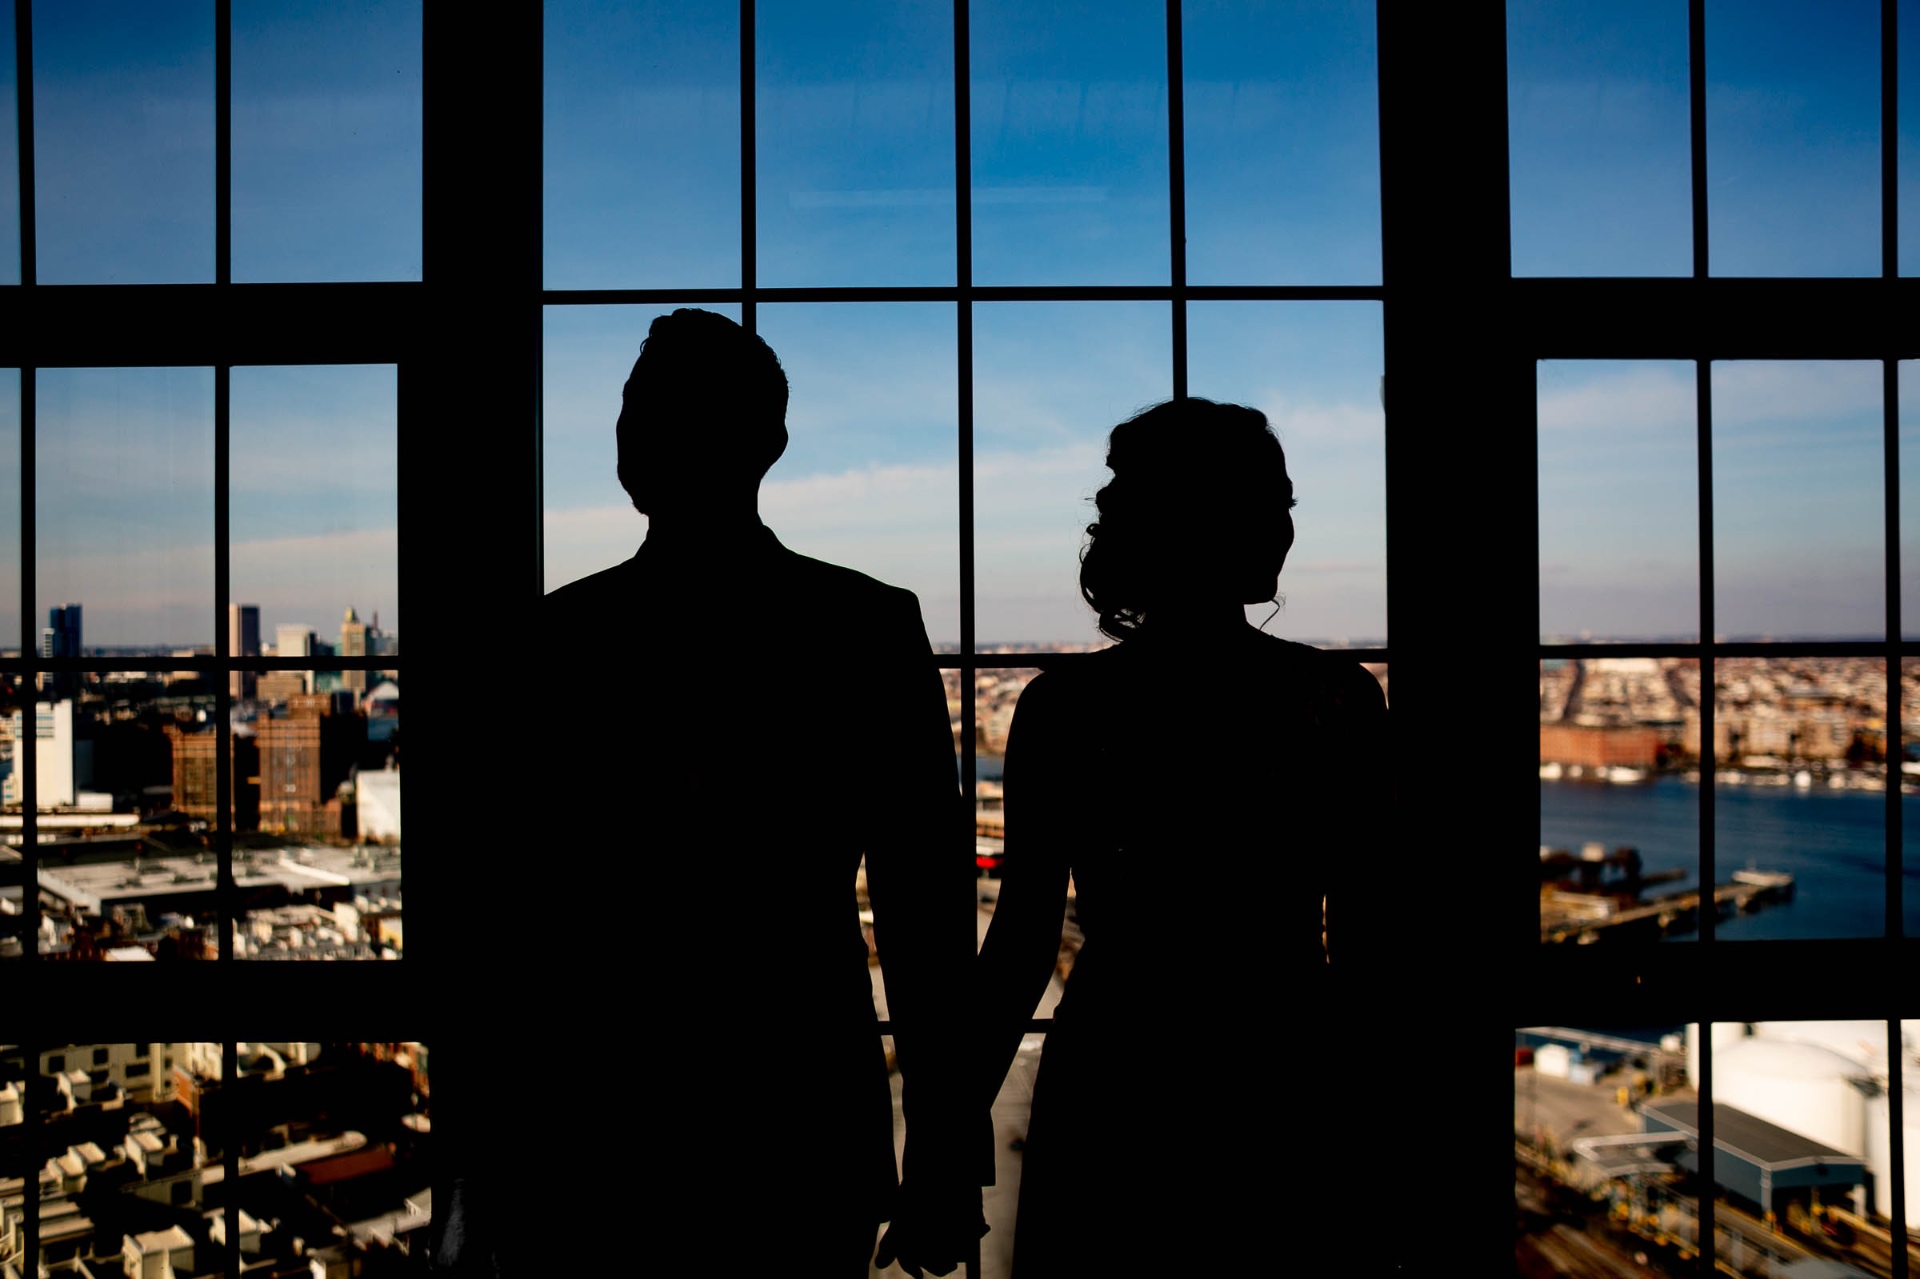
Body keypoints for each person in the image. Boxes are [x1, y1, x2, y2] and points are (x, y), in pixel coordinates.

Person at [432, 309, 984, 1275]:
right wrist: (944, 1150)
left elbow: (496, 926)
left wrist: (474, 1170)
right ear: (768, 442)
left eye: (644, 413)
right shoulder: (866, 629)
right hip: (797, 1104)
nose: (635, 434)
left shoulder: (548, 645)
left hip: (587, 1122)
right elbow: (923, 918)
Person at [972, 398, 1390, 1273]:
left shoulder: (1063, 710)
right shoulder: (1338, 703)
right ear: (1224, 524)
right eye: (1275, 503)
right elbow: (1368, 949)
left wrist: (948, 1129)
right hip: (1285, 1072)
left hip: (1117, 1070)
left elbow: (1020, 943)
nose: (1285, 527)